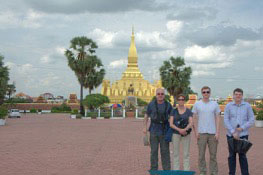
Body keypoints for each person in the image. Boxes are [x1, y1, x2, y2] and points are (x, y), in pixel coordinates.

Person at [224, 88, 255, 175]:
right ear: (233, 95)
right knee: (231, 156)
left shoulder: (247, 106)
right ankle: (231, 173)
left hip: (243, 135)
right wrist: (233, 132)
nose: (238, 96)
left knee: (243, 156)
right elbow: (226, 120)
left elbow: (252, 119)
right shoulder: (228, 106)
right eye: (236, 94)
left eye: (240, 94)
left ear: (242, 96)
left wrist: (242, 128)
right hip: (231, 135)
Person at [192, 86, 220, 175]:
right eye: (204, 92)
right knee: (201, 156)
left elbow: (218, 118)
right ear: (202, 93)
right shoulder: (197, 104)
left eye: (207, 92)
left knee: (213, 156)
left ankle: (214, 172)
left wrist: (217, 132)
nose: (206, 94)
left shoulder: (214, 104)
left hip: (213, 134)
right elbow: (193, 118)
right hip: (201, 133)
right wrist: (196, 132)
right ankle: (203, 172)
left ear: (210, 93)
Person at [143, 88, 173, 170]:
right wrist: (144, 128)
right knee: (153, 152)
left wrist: (172, 129)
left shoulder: (168, 105)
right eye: (158, 94)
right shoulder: (151, 104)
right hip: (153, 131)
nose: (160, 95)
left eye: (162, 94)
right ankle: (154, 169)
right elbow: (146, 116)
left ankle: (166, 170)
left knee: (165, 152)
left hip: (164, 131)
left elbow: (172, 117)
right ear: (156, 95)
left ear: (164, 95)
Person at [169, 94, 193, 170]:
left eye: (182, 99)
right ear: (177, 101)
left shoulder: (188, 111)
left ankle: (186, 170)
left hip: (186, 134)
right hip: (175, 134)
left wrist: (185, 129)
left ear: (184, 101)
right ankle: (176, 170)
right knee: (176, 153)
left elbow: (191, 122)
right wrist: (179, 130)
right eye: (179, 99)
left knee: (186, 154)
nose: (181, 101)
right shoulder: (173, 111)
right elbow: (171, 124)